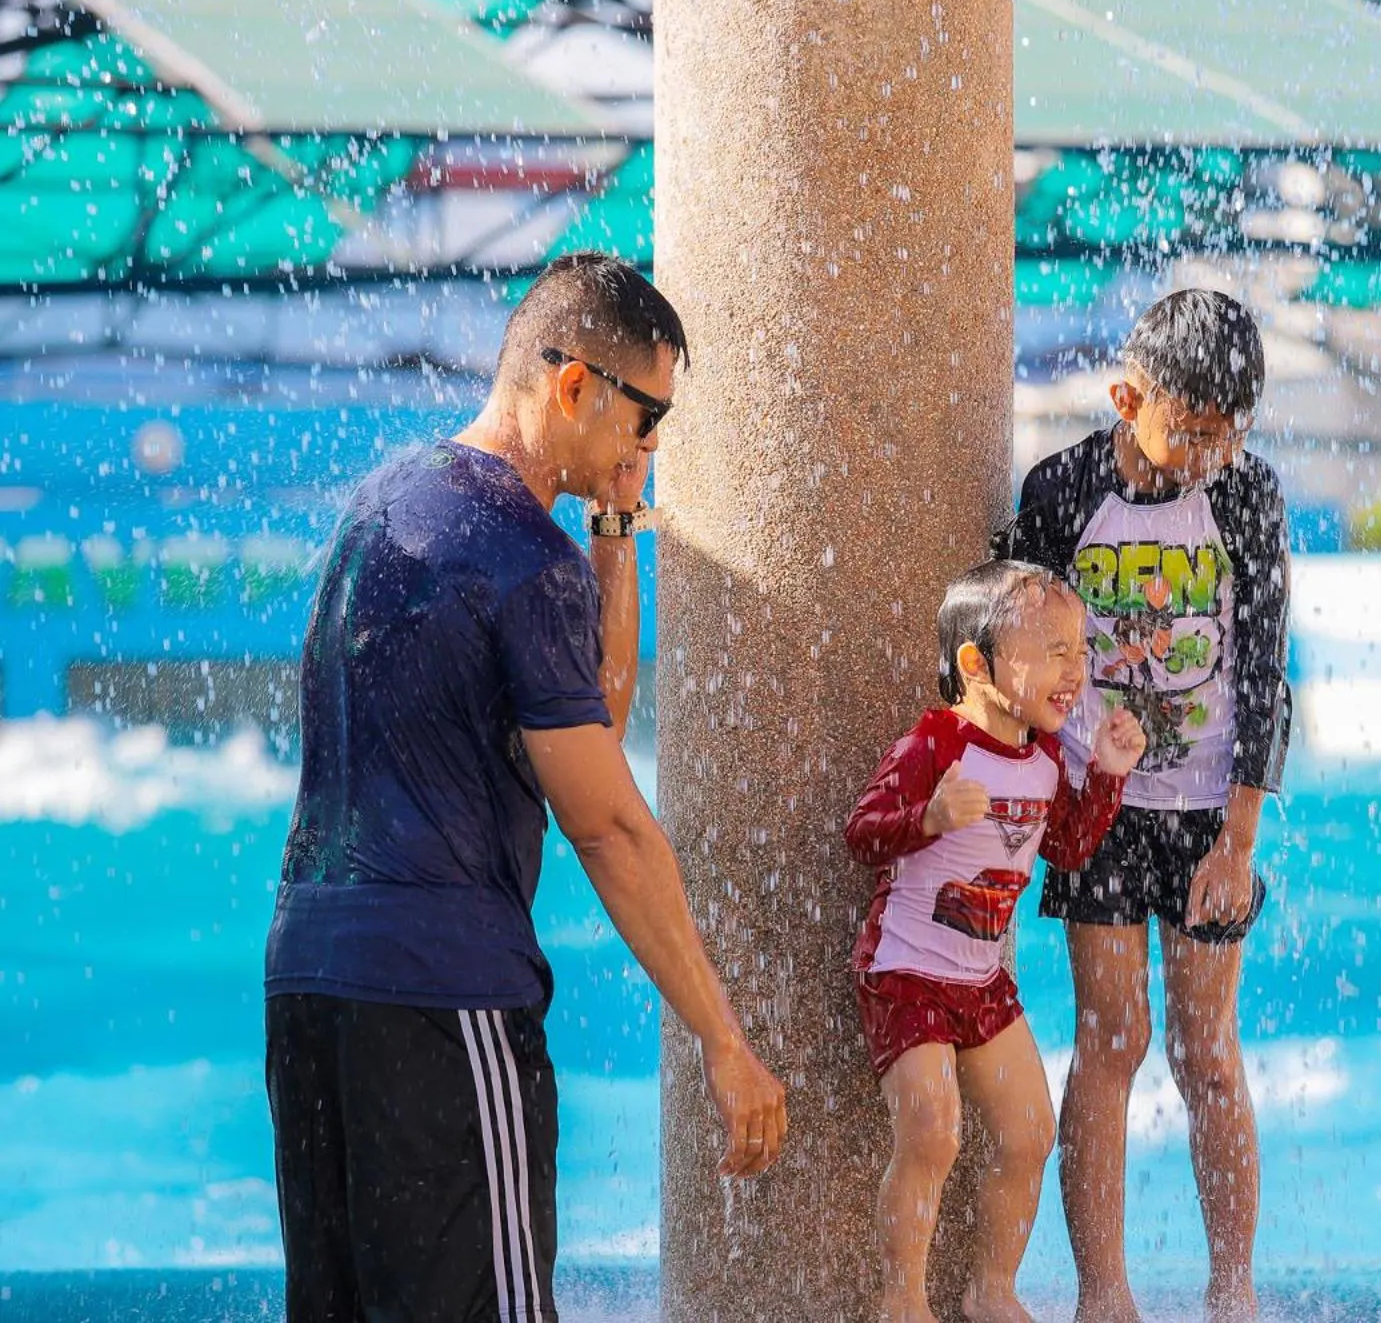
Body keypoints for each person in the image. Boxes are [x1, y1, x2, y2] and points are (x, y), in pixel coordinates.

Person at [264, 252, 787, 1322]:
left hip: (308, 986)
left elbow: (586, 708)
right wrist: (723, 1042)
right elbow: (609, 829)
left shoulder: (383, 504)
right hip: (442, 999)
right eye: (647, 420)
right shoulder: (516, 550)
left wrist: (612, 533)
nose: (651, 448)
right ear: (573, 386)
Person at [996, 289, 1290, 1323]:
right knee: (1110, 1037)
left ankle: (1230, 1289)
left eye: (1229, 434)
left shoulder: (1246, 498)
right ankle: (1102, 1294)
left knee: (1205, 1051)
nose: (1209, 455)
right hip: (1100, 803)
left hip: (1208, 806)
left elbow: (1262, 671)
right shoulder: (1064, 491)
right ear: (1129, 397)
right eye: (1192, 432)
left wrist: (1237, 839)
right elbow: (1015, 648)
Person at [845, 560, 1146, 1323]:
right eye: (1051, 649)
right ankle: (902, 1299)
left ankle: (990, 1287)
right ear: (977, 664)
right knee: (932, 1128)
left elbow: (1069, 846)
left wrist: (1106, 773)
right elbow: (860, 833)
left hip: (981, 982)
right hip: (906, 969)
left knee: (1029, 1131)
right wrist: (929, 819)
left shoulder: (1045, 757)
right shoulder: (936, 743)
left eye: (1079, 650)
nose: (1073, 669)